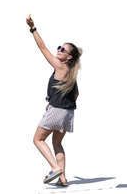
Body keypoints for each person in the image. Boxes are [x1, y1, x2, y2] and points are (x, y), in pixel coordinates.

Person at [26, 15, 82, 187]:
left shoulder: (60, 66)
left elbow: (42, 47)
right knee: (57, 143)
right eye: (59, 47)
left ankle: (55, 168)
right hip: (68, 112)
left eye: (63, 50)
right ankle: (62, 178)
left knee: (37, 139)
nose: (58, 50)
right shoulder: (71, 72)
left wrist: (33, 28)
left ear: (69, 58)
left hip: (57, 110)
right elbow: (77, 94)